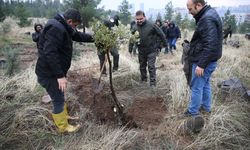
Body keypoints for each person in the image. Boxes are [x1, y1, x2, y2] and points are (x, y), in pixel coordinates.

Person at [35, 8, 94, 133]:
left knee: (60, 94)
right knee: (57, 99)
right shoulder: (56, 28)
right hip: (49, 73)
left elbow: (77, 35)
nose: (75, 28)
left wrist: (94, 38)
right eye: (75, 25)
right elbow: (50, 53)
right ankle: (63, 127)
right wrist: (60, 76)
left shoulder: (64, 26)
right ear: (70, 21)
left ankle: (63, 116)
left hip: (53, 72)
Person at [185, 0, 222, 116]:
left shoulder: (207, 19)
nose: (189, 12)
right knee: (205, 85)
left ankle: (193, 113)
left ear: (199, 5)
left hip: (203, 61)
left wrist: (201, 65)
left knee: (196, 87)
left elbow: (210, 44)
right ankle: (206, 109)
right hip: (209, 60)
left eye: (190, 9)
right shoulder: (210, 13)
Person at [134, 10, 167, 87]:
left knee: (151, 66)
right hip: (141, 51)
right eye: (137, 19)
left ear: (144, 17)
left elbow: (161, 34)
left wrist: (163, 45)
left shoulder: (152, 25)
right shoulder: (135, 27)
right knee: (142, 66)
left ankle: (152, 83)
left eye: (141, 19)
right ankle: (144, 80)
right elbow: (132, 38)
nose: (139, 21)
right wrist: (130, 48)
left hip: (151, 50)